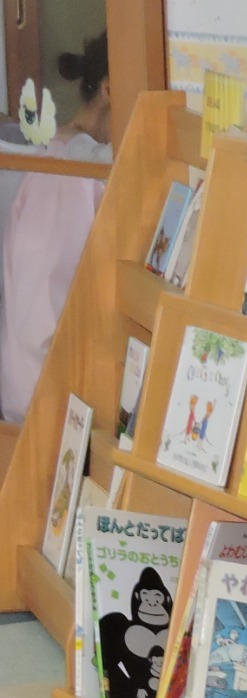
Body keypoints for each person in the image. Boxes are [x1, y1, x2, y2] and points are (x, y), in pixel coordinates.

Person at [0, 32, 112, 420]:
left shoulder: (62, 156)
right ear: (110, 88)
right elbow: (42, 310)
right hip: (42, 399)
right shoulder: (71, 171)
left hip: (32, 389)